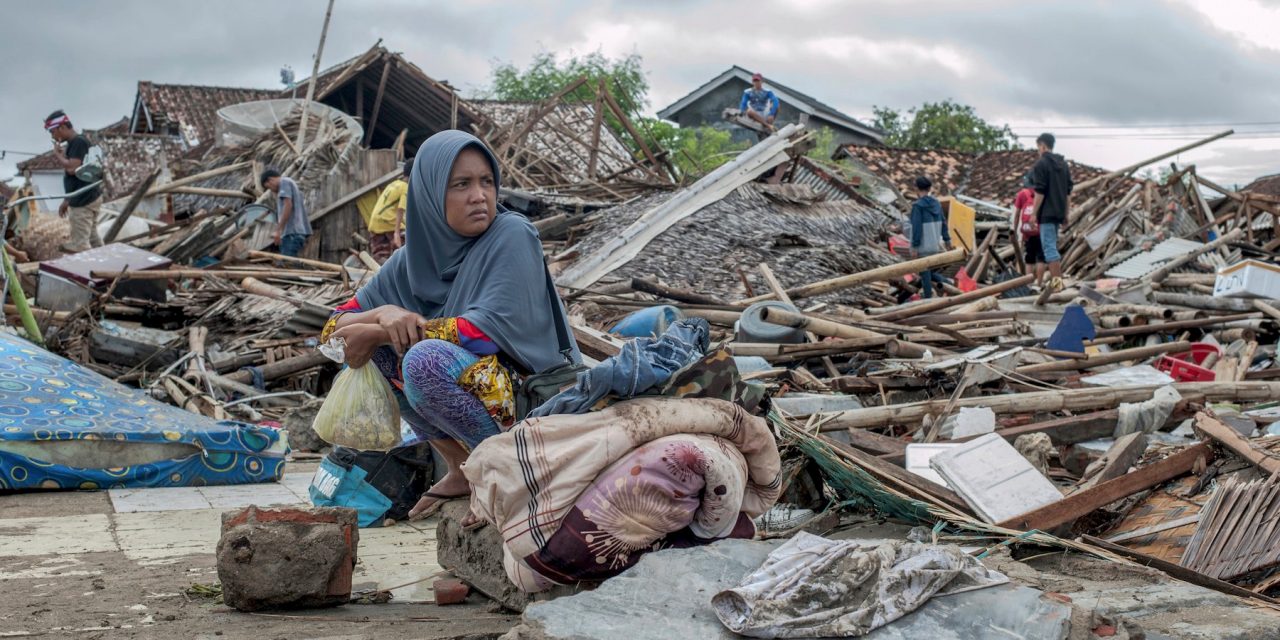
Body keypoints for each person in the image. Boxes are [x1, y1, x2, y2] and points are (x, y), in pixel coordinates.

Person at [321, 130, 580, 522]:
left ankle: (502, 471)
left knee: (423, 359)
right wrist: (382, 314)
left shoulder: (512, 234)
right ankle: (461, 467)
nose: (479, 196)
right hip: (482, 393)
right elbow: (332, 334)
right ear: (429, 194)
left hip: (535, 396)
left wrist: (377, 330)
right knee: (376, 355)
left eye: (487, 181)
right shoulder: (410, 260)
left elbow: (482, 334)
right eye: (461, 185)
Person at [44, 111, 103, 254]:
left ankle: (93, 271)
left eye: (52, 132)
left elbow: (73, 168)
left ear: (62, 127)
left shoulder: (78, 142)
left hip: (83, 200)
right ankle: (107, 264)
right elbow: (77, 176)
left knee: (80, 245)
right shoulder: (75, 143)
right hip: (85, 196)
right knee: (93, 239)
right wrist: (67, 200)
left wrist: (58, 155)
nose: (52, 136)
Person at [1030, 133, 1073, 291]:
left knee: (1049, 249)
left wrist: (1034, 213)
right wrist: (1066, 214)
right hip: (1059, 212)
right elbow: (1068, 193)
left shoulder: (1041, 165)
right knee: (1052, 247)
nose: (1038, 151)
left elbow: (1040, 191)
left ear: (1042, 146)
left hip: (1047, 214)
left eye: (1038, 148)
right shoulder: (1063, 165)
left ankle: (1057, 286)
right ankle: (1057, 285)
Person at [908, 176, 951, 298]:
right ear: (929, 188)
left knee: (925, 275)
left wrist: (915, 246)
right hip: (934, 245)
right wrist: (947, 240)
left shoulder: (918, 206)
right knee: (928, 273)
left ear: (916, 188)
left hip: (922, 246)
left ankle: (928, 299)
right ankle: (949, 285)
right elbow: (943, 222)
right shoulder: (936, 203)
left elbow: (916, 228)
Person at [367, 159, 411, 262]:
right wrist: (396, 233)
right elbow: (401, 209)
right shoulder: (405, 188)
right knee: (407, 246)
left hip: (375, 222)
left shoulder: (394, 184)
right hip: (388, 222)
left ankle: (383, 271)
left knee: (380, 254)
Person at [261, 169, 312, 257]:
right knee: (289, 265)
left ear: (270, 180)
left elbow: (288, 205)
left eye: (269, 187)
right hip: (293, 233)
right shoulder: (288, 184)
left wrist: (278, 230)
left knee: (287, 264)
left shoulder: (284, 182)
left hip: (292, 233)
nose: (272, 190)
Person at [1014, 173, 1045, 285]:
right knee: (1041, 259)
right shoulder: (1043, 194)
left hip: (1027, 232)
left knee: (1029, 259)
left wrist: (1015, 229)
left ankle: (1028, 283)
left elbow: (1017, 214)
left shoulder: (1022, 194)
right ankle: (1039, 284)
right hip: (1041, 230)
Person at [738, 72, 780, 137]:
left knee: (776, 106)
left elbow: (775, 101)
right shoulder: (748, 92)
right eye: (755, 81)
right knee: (749, 111)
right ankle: (768, 126)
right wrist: (742, 111)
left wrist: (771, 114)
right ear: (752, 82)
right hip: (754, 114)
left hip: (764, 112)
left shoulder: (767, 91)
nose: (756, 83)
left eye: (758, 81)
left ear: (761, 81)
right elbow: (743, 103)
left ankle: (769, 125)